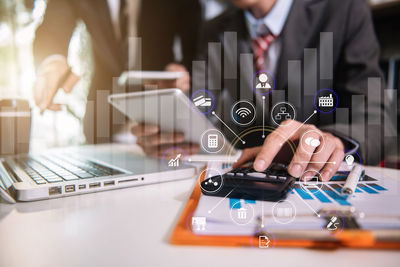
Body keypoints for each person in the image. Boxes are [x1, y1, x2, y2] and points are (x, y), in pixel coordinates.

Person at [132, 0, 395, 180]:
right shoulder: (215, 30)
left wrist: (336, 142)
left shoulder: (344, 10)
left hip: (314, 187)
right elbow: (207, 120)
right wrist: (174, 131)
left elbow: (377, 122)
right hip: (243, 185)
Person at [33, 0, 201, 143]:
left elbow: (197, 39)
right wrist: (52, 61)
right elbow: (53, 25)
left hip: (161, 111)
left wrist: (182, 72)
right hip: (103, 114)